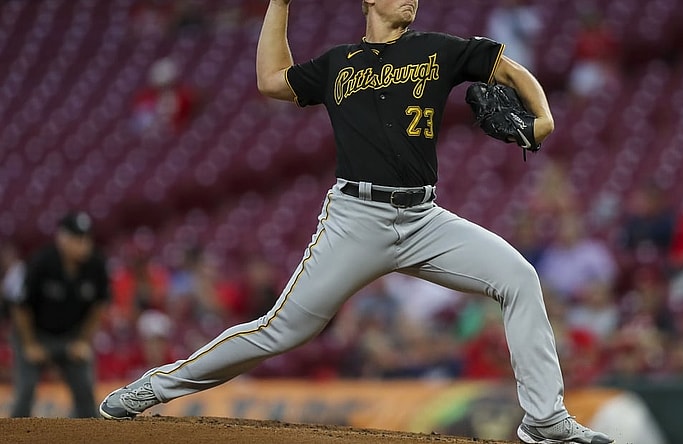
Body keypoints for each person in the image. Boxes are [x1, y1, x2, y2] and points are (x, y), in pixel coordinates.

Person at [100, 2, 613, 443]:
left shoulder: (436, 50)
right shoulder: (339, 63)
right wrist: (279, 6)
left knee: (518, 278)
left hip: (423, 218)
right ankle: (153, 388)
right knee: (281, 330)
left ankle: (545, 422)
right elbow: (272, 82)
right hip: (355, 218)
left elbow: (506, 68)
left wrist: (542, 115)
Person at [8, 212, 110, 417]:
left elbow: (99, 307)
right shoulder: (41, 261)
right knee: (25, 392)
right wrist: (29, 344)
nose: (83, 244)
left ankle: (88, 437)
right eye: (77, 239)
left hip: (70, 336)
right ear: (62, 238)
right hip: (35, 334)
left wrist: (83, 340)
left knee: (85, 394)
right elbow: (20, 306)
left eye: (86, 238)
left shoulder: (96, 265)